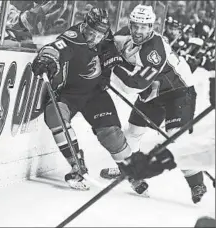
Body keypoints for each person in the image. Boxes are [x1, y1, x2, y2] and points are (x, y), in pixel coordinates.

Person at [31, 7, 148, 194]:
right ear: (85, 25)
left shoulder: (107, 37)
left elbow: (110, 57)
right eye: (91, 33)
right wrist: (46, 58)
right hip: (70, 93)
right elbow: (55, 48)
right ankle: (77, 166)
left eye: (98, 35)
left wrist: (105, 77)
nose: (94, 39)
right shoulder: (73, 37)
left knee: (111, 134)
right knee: (55, 115)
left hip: (95, 93)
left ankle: (132, 172)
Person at [100, 4, 208, 203]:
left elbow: (133, 86)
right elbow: (105, 44)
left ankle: (197, 183)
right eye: (136, 26)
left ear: (152, 27)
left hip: (179, 92)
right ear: (130, 24)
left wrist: (113, 64)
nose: (139, 31)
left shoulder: (154, 50)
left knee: (176, 139)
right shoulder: (125, 35)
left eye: (144, 27)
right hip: (153, 92)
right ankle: (129, 167)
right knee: (133, 131)